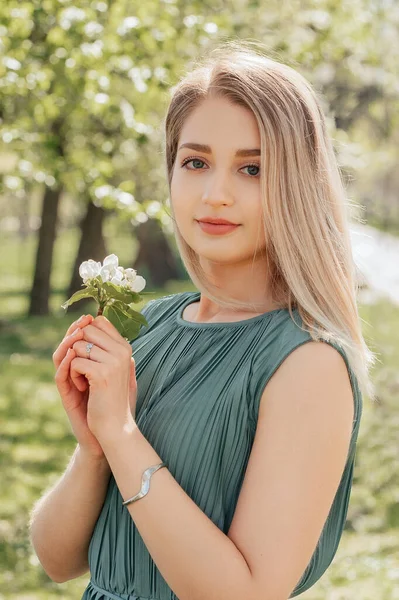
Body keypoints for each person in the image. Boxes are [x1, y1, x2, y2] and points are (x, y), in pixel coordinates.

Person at [29, 41, 376, 600]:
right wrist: (94, 447)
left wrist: (122, 433)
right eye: (195, 162)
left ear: (296, 185)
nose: (215, 194)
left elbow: (244, 594)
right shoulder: (148, 326)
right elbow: (57, 559)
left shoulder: (306, 363)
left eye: (252, 168)